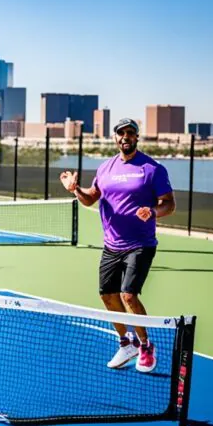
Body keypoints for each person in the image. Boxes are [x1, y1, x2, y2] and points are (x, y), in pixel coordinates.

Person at [60, 118, 175, 373]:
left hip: (141, 244)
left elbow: (169, 203)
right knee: (107, 296)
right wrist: (75, 189)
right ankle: (126, 342)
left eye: (130, 133)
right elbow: (91, 198)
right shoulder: (105, 168)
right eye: (121, 133)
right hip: (111, 245)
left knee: (129, 295)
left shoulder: (152, 169)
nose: (125, 137)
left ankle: (145, 344)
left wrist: (153, 211)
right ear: (115, 137)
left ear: (136, 137)